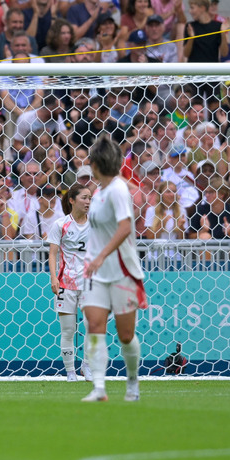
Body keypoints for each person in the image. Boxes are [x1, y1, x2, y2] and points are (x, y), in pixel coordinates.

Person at [81, 136, 147, 403]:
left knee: (126, 335)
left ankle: (132, 382)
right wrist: (92, 258)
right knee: (94, 326)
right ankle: (99, 388)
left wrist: (101, 256)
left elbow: (124, 227)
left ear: (95, 165)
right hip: (96, 272)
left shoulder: (119, 190)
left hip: (121, 271)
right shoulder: (98, 193)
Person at [46, 183, 94, 383]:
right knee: (68, 330)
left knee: (92, 326)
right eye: (84, 197)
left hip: (90, 283)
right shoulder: (60, 224)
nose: (88, 202)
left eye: (90, 198)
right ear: (72, 200)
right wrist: (53, 277)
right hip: (66, 284)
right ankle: (70, 372)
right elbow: (53, 253)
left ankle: (87, 366)